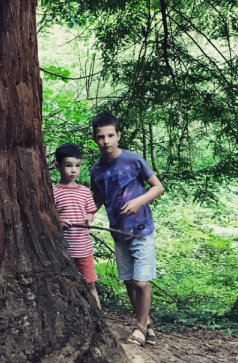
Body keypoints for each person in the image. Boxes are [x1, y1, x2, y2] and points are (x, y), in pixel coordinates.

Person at [90, 113, 164, 347]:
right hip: (118, 233)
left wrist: (139, 201)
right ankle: (146, 324)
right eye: (101, 137)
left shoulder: (133, 160)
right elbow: (98, 197)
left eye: (111, 135)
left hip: (141, 229)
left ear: (118, 135)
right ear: (95, 139)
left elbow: (157, 187)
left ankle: (140, 328)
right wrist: (89, 212)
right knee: (130, 282)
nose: (106, 141)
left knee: (142, 282)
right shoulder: (96, 170)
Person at [53, 143, 101, 309]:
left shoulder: (84, 191)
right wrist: (58, 221)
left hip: (84, 249)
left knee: (90, 284)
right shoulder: (53, 192)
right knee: (66, 286)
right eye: (68, 165)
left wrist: (89, 218)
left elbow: (90, 211)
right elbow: (49, 217)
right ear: (57, 166)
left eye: (77, 166)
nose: (73, 170)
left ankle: (98, 315)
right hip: (63, 251)